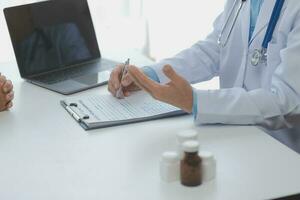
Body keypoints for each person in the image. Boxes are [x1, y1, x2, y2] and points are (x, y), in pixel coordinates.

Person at [108, 0, 300, 131]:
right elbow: (214, 49)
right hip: (233, 137)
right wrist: (148, 76)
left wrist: (196, 101)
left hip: (280, 151)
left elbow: (288, 101)